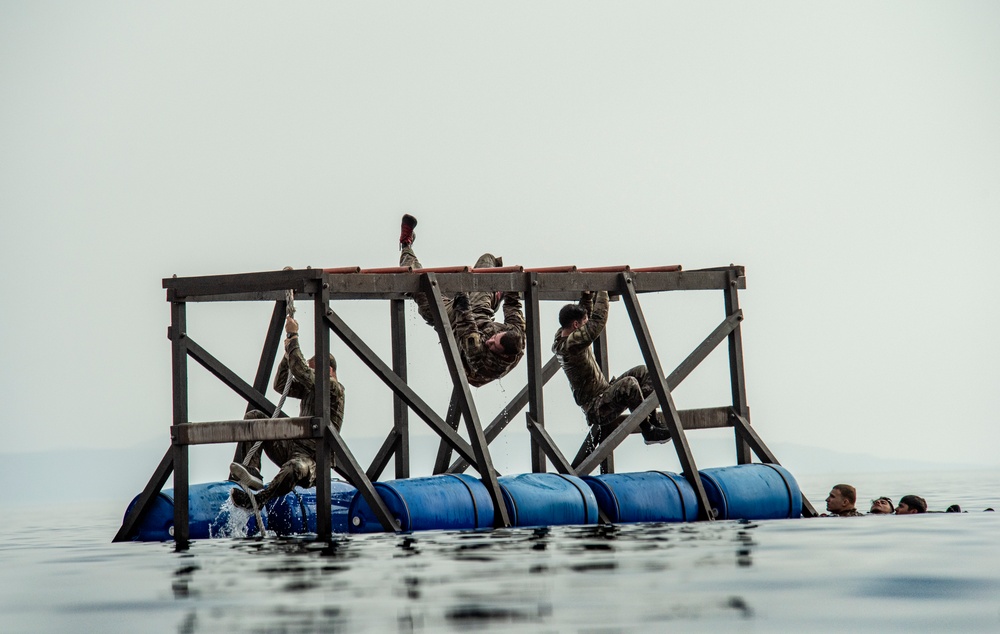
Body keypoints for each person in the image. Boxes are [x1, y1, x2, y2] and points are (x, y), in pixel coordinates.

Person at [230, 316, 346, 509]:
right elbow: (281, 385)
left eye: (314, 370)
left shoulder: (334, 389)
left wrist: (293, 336)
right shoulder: (311, 389)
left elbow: (302, 372)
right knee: (255, 418)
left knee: (294, 468)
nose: (311, 374)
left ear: (329, 370)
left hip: (313, 460)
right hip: (292, 448)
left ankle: (259, 501)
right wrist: (286, 356)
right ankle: (253, 470)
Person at [398, 214, 526, 387]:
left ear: (502, 354)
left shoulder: (485, 362)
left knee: (418, 285)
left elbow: (466, 327)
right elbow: (513, 307)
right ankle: (495, 292)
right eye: (494, 338)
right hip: (481, 313)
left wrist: (463, 299)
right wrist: (512, 283)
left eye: (492, 344)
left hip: (455, 325)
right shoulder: (517, 335)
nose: (489, 340)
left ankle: (406, 245)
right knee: (487, 259)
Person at [552, 290, 671, 446]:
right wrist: (603, 291)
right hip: (597, 408)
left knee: (644, 372)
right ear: (575, 325)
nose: (586, 324)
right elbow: (597, 322)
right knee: (630, 384)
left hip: (603, 394)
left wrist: (587, 298)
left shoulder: (563, 335)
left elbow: (584, 318)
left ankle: (652, 418)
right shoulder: (571, 345)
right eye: (584, 322)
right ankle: (648, 431)